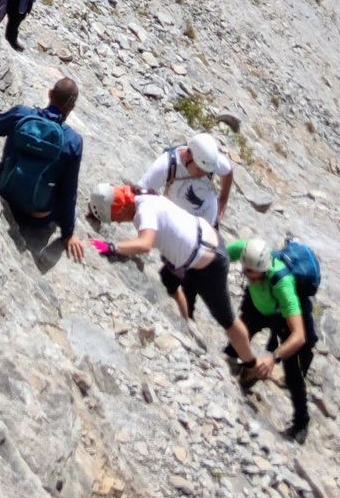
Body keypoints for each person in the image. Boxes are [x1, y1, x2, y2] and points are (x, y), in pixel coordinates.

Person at [92, 184, 261, 370]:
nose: (117, 222)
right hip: (200, 246)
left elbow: (145, 244)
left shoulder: (143, 212)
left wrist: (112, 247)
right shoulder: (143, 196)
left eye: (115, 218)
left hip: (209, 261)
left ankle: (251, 364)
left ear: (122, 208)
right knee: (169, 280)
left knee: (226, 319)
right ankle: (186, 322)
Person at [0, 75, 86, 257]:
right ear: (71, 108)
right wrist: (68, 233)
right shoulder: (73, 141)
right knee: (67, 199)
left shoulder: (22, 114)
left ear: (50, 94)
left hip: (5, 192)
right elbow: (69, 191)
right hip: (36, 217)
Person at [228, 237, 315, 442]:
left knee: (293, 371)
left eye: (250, 271)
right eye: (244, 268)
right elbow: (219, 254)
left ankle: (301, 423)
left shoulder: (283, 285)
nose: (245, 274)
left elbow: (299, 336)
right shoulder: (246, 251)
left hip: (282, 316)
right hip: (258, 306)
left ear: (264, 270)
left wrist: (274, 356)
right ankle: (237, 368)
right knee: (238, 337)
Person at [140, 131, 234, 235]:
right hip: (179, 230)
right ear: (188, 156)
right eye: (200, 169)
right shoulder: (166, 165)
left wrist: (223, 200)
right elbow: (141, 192)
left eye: (207, 172)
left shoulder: (210, 160)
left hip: (209, 227)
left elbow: (227, 171)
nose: (203, 174)